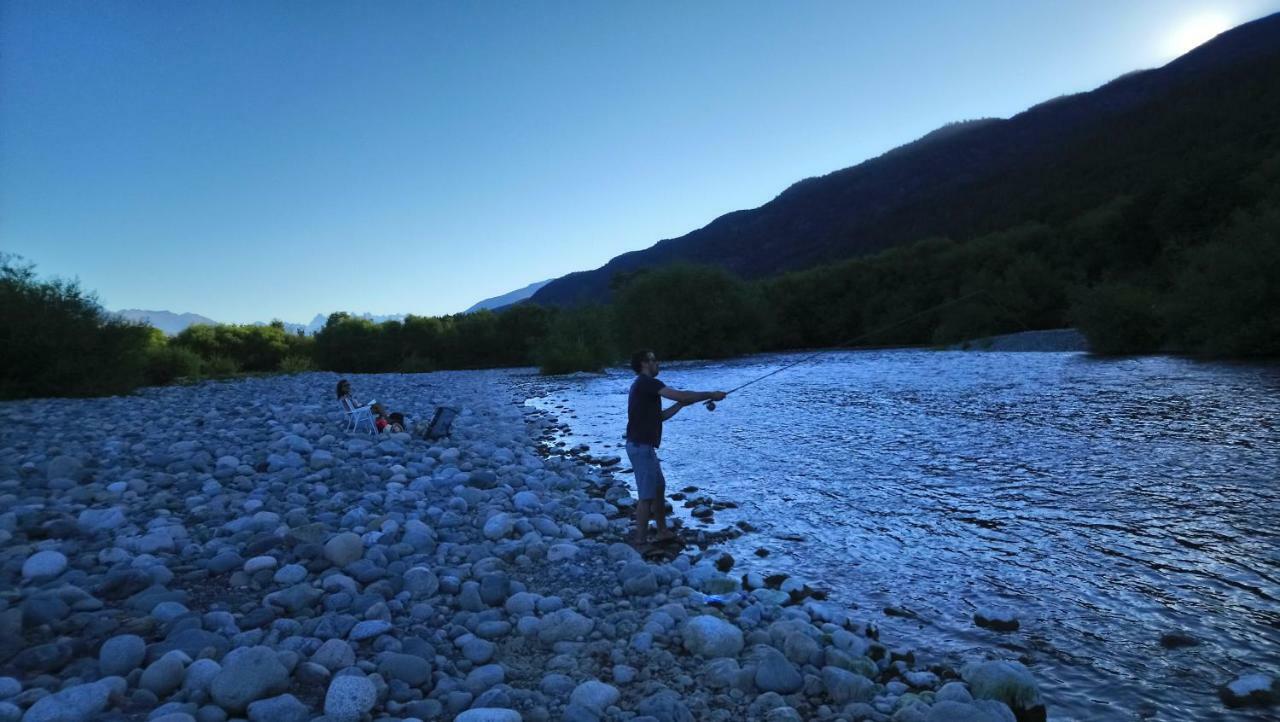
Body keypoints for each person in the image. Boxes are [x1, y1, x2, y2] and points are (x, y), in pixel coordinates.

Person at [625, 349, 726, 546]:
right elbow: (680, 394)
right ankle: (640, 540)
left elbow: (659, 417)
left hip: (644, 447)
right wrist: (711, 394)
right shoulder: (647, 382)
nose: (658, 363)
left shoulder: (643, 386)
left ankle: (662, 531)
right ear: (645, 363)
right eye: (654, 360)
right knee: (646, 496)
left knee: (659, 488)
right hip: (640, 447)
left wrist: (679, 406)